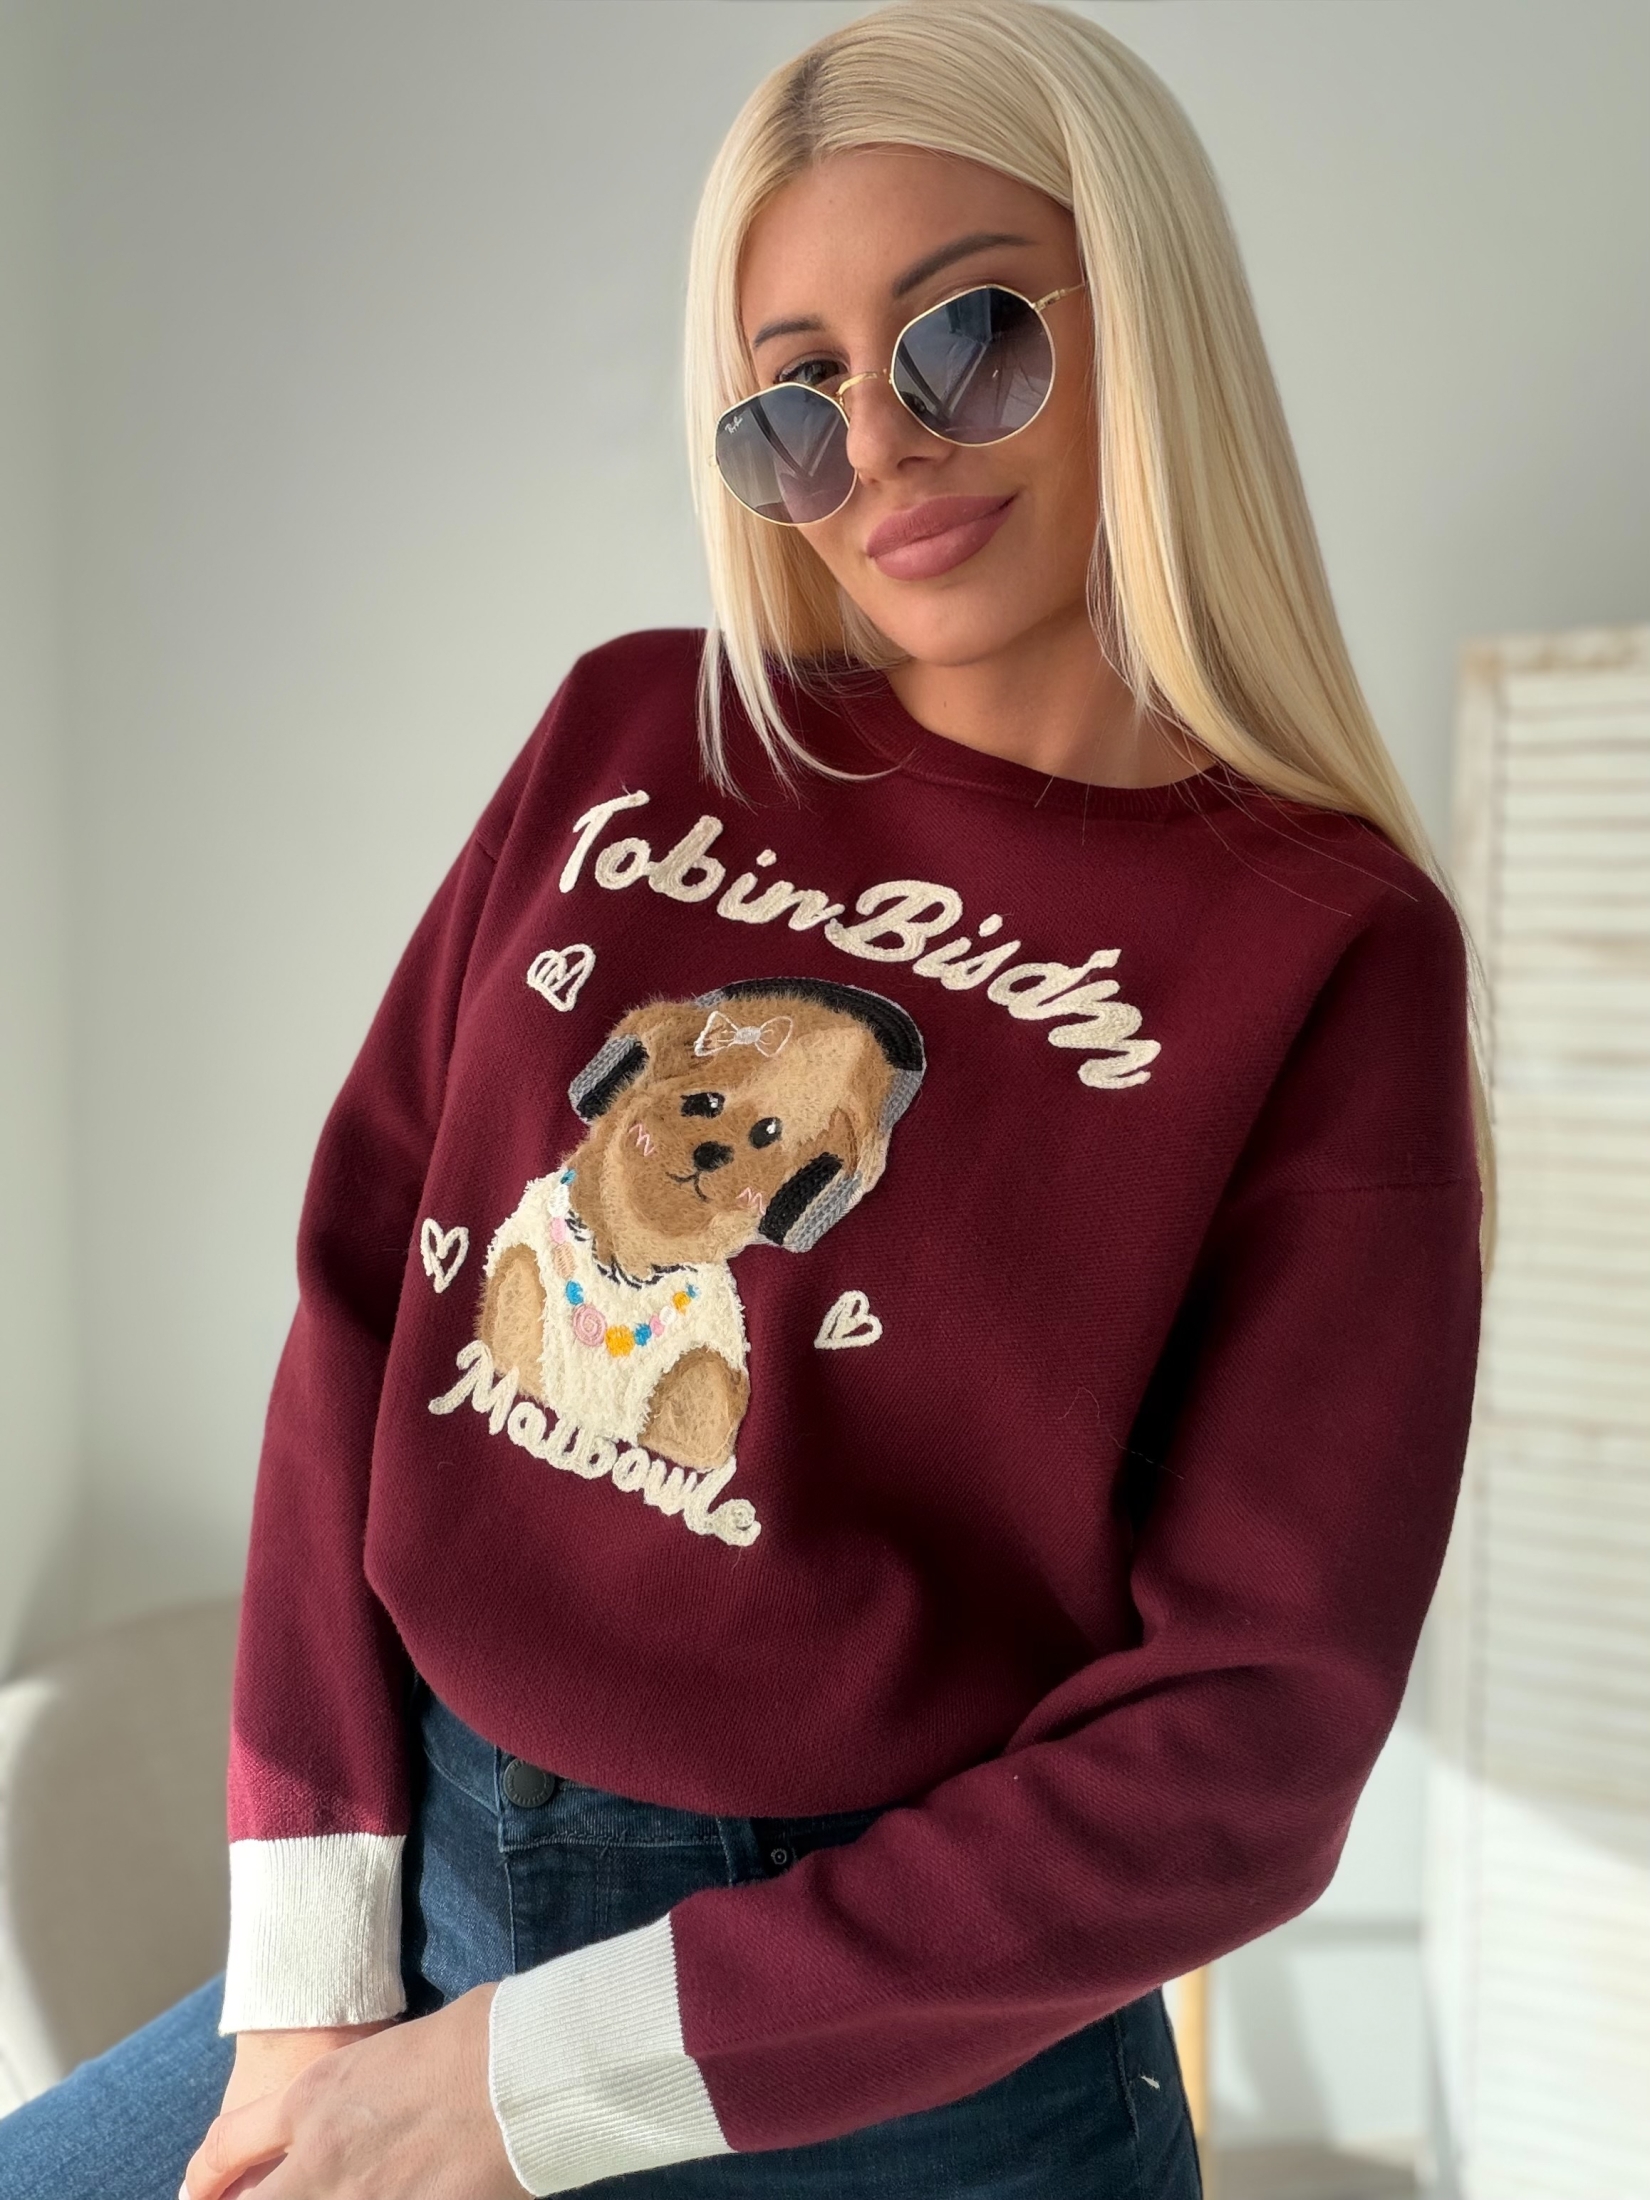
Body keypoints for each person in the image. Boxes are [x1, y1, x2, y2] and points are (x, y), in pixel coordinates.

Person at [0, 3, 1488, 2195]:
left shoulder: (1321, 946)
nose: (877, 445)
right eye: (793, 397)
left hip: (903, 2082)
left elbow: (1246, 1740)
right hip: (410, 1943)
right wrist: (307, 1984)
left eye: (967, 338)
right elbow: (363, 1302)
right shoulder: (629, 738)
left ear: (1148, 320)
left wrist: (526, 2088)